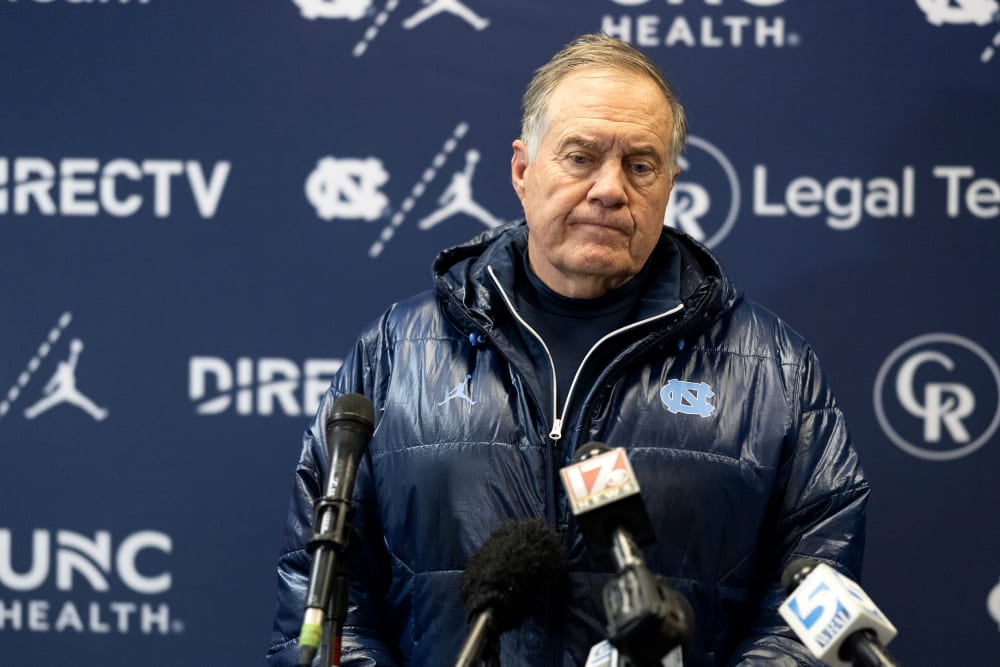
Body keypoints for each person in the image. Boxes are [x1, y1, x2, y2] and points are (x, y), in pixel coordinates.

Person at [267, 33, 869, 666]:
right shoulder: (393, 355)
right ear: (523, 170)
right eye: (580, 157)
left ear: (669, 183)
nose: (610, 189)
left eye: (641, 165)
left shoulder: (773, 372)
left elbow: (810, 603)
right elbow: (328, 600)